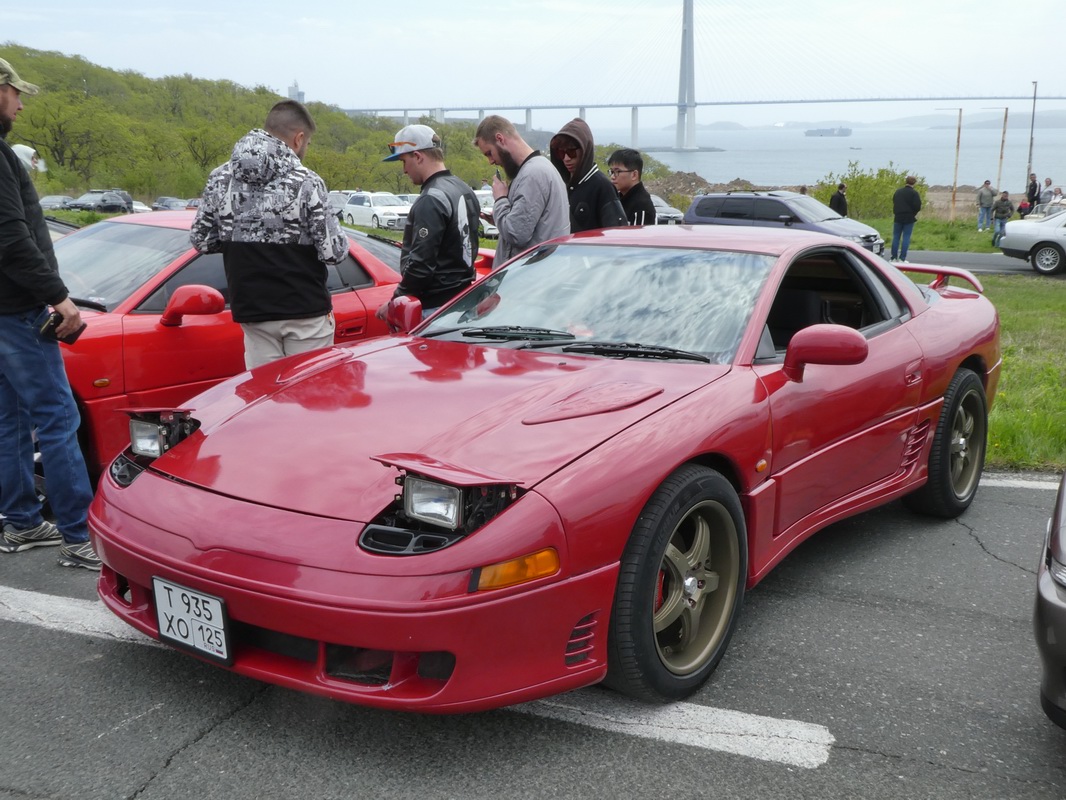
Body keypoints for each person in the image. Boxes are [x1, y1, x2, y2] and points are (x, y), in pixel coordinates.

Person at [0, 56, 99, 570]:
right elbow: (13, 239)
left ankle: (21, 523)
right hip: (16, 311)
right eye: (15, 93)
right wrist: (59, 297)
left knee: (9, 420)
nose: (19, 102)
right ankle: (79, 536)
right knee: (58, 418)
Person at [191, 100, 348, 369]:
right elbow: (333, 253)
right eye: (307, 143)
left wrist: (241, 237)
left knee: (266, 400)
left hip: (252, 310)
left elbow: (202, 239)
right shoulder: (307, 181)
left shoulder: (219, 178)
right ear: (299, 139)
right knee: (306, 399)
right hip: (304, 312)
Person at [377, 124, 479, 320]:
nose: (404, 170)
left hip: (436, 308)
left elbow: (421, 265)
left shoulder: (431, 199)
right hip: (464, 300)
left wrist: (395, 302)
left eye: (403, 161)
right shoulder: (464, 188)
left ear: (417, 156)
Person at [473, 115, 569, 264]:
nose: (491, 161)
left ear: (500, 139)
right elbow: (527, 226)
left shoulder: (532, 174)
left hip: (530, 280)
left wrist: (500, 200)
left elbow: (516, 234)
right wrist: (500, 218)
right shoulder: (537, 168)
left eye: (489, 153)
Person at [549, 118, 626, 233]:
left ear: (585, 150)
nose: (566, 158)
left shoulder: (602, 186)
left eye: (571, 152)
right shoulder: (562, 185)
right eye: (561, 153)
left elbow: (617, 232)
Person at [607, 148, 657, 225]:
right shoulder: (618, 199)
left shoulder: (642, 206)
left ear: (634, 175)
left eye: (617, 172)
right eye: (611, 172)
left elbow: (639, 236)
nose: (613, 176)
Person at [890, 175, 922, 263]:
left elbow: (894, 201)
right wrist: (913, 213)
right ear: (914, 183)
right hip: (909, 217)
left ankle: (893, 257)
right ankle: (902, 258)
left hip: (898, 216)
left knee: (896, 237)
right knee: (906, 237)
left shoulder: (898, 192)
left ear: (906, 182)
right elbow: (917, 206)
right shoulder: (914, 193)